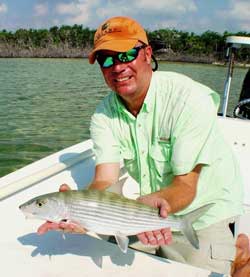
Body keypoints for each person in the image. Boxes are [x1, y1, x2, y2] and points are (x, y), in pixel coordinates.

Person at [38, 16, 244, 275]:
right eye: (107, 59)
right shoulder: (103, 116)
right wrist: (81, 213)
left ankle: (239, 248)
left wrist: (147, 211)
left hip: (203, 215)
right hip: (146, 213)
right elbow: (104, 180)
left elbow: (186, 186)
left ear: (147, 54)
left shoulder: (189, 99)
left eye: (125, 55)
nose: (117, 67)